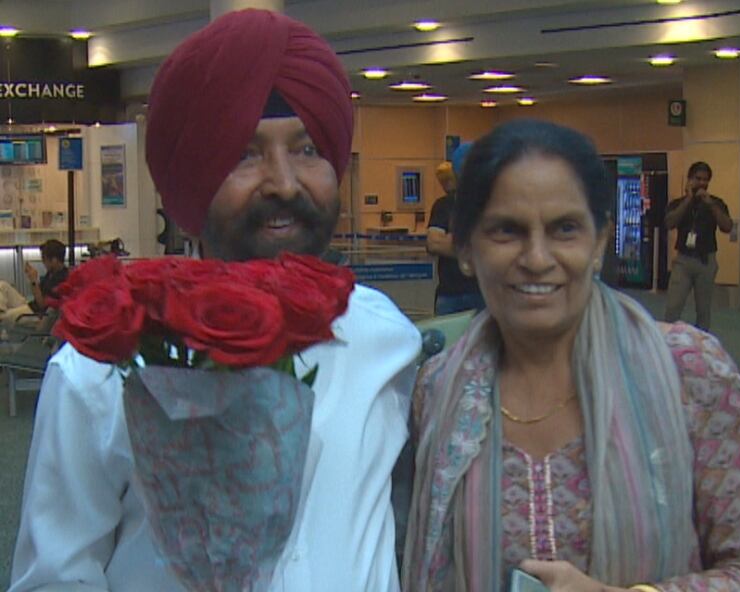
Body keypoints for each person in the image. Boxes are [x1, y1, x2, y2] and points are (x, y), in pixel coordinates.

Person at [11, 10, 420, 592]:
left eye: (307, 149)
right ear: (193, 176)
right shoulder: (101, 365)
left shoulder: (386, 340)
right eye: (245, 154)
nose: (283, 182)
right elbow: (53, 577)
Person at [402, 119, 740, 591]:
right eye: (506, 231)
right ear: (466, 250)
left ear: (599, 240)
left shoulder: (690, 371)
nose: (537, 257)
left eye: (565, 229)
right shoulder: (438, 389)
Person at [663, 162, 733, 331]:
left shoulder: (716, 203)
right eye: (698, 179)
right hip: (683, 260)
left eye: (705, 180)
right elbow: (669, 223)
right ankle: (668, 346)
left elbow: (727, 227)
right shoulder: (678, 203)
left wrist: (710, 205)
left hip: (706, 261)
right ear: (690, 179)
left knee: (703, 311)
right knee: (673, 307)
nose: (702, 183)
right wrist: (688, 200)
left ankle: (701, 349)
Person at [426, 149, 484, 315]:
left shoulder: (492, 204)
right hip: (450, 294)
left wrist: (452, 240)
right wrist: (475, 248)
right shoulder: (444, 205)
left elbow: (496, 243)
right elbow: (434, 243)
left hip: (485, 294)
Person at [0, 239, 68, 324]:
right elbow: (38, 295)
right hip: (32, 305)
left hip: (37, 313)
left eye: (44, 259)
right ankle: (1, 310)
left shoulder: (62, 280)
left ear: (54, 260)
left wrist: (33, 280)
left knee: (5, 317)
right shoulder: (51, 273)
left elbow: (42, 305)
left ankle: (2, 315)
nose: (43, 262)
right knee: (2, 286)